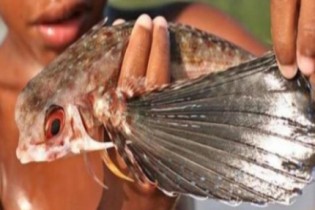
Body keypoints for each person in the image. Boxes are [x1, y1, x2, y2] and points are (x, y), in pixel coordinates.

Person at [0, 1, 311, 209]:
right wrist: (135, 198)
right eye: (53, 126)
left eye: (54, 128)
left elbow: (298, 107)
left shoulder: (182, 24)